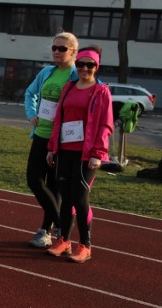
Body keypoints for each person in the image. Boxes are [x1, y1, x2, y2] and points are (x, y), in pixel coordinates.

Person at [46, 46, 113, 263]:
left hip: (87, 155)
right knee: (66, 199)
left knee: (80, 199)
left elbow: (105, 124)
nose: (84, 68)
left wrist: (98, 153)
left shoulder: (101, 91)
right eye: (81, 64)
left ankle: (85, 245)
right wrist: (52, 147)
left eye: (90, 65)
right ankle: (64, 240)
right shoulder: (69, 87)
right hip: (65, 150)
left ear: (97, 67)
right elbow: (59, 119)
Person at [24, 32, 79, 248]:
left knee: (54, 186)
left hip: (63, 140)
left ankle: (44, 232)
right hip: (41, 134)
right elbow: (30, 93)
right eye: (54, 48)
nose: (56, 52)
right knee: (33, 180)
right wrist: (31, 113)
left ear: (73, 51)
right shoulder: (47, 72)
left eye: (62, 48)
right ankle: (61, 224)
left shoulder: (76, 76)